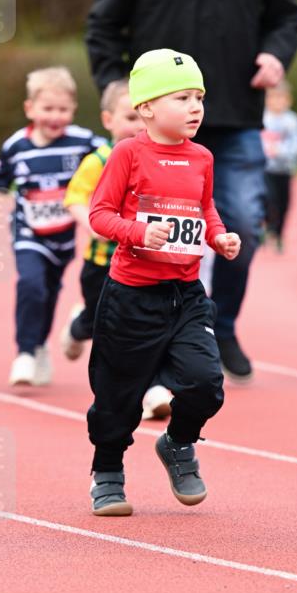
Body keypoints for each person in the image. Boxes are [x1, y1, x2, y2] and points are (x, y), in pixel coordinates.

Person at [86, 0, 297, 382]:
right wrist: (115, 87)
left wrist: (277, 54)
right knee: (155, 234)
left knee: (240, 225)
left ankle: (218, 327)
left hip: (236, 118)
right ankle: (157, 335)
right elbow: (104, 25)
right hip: (157, 135)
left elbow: (287, 16)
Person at [86, 49, 240, 516]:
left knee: (206, 382)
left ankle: (178, 443)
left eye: (199, 98)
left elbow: (204, 206)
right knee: (119, 394)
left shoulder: (202, 157)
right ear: (148, 107)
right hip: (131, 296)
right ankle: (108, 471)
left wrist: (217, 235)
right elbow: (100, 215)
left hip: (186, 294)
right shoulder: (128, 153)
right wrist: (138, 231)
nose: (196, 107)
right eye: (182, 98)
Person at [0, 67, 106, 387]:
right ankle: (25, 353)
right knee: (31, 284)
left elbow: (118, 159)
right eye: (47, 109)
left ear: (73, 109)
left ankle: (40, 345)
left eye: (63, 109)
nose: (55, 116)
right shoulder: (18, 146)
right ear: (30, 108)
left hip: (64, 237)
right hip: (28, 232)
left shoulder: (85, 142)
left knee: (48, 293)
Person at [60, 78, 173, 421]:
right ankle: (78, 327)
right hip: (102, 265)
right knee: (101, 325)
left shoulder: (160, 158)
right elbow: (75, 198)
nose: (138, 126)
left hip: (145, 264)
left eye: (143, 117)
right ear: (108, 120)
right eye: (129, 118)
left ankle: (152, 389)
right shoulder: (98, 160)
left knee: (145, 327)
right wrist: (94, 226)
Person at [262, 80, 297, 252]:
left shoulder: (292, 121)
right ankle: (269, 227)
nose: (277, 102)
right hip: (266, 169)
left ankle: (279, 234)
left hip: (285, 170)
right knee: (268, 199)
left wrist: (280, 151)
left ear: (288, 100)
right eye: (273, 98)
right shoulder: (263, 119)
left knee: (284, 203)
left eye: (281, 98)